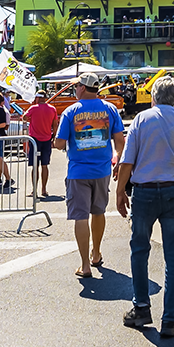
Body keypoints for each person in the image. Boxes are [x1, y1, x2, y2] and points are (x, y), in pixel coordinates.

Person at [114, 77, 174, 337]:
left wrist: (120, 191)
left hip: (144, 192)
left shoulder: (141, 119)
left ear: (153, 97)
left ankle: (141, 307)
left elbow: (127, 161)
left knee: (139, 249)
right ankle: (170, 318)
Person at [55, 77, 126, 278]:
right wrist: (119, 161)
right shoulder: (110, 109)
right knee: (98, 212)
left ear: (83, 88)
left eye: (76, 86)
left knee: (80, 216)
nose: (75, 89)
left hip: (78, 172)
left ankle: (85, 265)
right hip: (102, 171)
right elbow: (120, 140)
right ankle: (96, 254)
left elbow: (59, 143)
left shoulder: (71, 111)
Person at [25, 92, 59, 200]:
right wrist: (54, 137)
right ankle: (44, 189)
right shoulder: (52, 109)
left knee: (35, 166)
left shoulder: (33, 108)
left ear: (37, 98)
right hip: (47, 139)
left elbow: (24, 117)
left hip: (35, 140)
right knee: (45, 165)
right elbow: (55, 124)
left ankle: (34, 190)